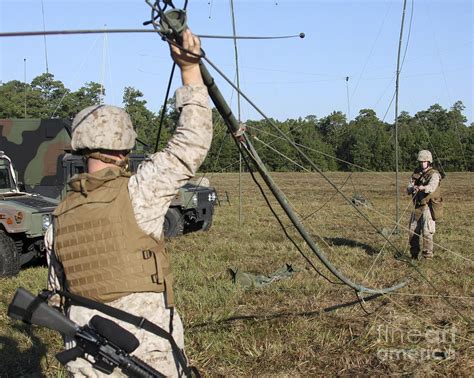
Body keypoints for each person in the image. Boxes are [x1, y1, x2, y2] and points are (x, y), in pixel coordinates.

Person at [45, 29, 212, 377]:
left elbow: (55, 296)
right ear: (123, 149)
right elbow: (191, 142)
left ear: (80, 145)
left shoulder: (58, 218)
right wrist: (189, 69)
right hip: (145, 350)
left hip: (86, 355)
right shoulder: (139, 192)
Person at [407, 150, 442, 259]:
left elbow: (432, 187)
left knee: (427, 232)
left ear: (429, 161)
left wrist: (423, 188)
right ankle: (414, 255)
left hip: (428, 206)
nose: (422, 163)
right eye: (421, 161)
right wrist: (413, 187)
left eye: (425, 161)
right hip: (417, 206)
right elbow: (408, 188)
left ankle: (427, 257)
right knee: (413, 231)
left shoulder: (434, 174)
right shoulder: (416, 173)